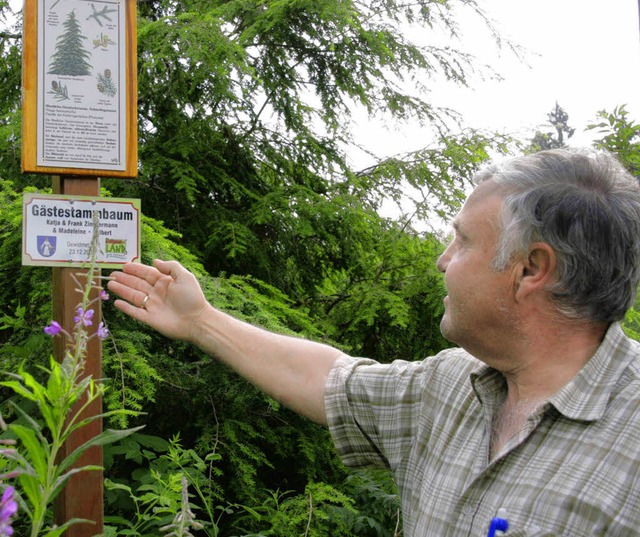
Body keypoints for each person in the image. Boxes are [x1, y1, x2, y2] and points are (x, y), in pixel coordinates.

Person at [108, 149, 640, 536]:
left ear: (530, 269)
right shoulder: (452, 383)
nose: (443, 259)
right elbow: (330, 381)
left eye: (463, 240)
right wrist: (201, 320)